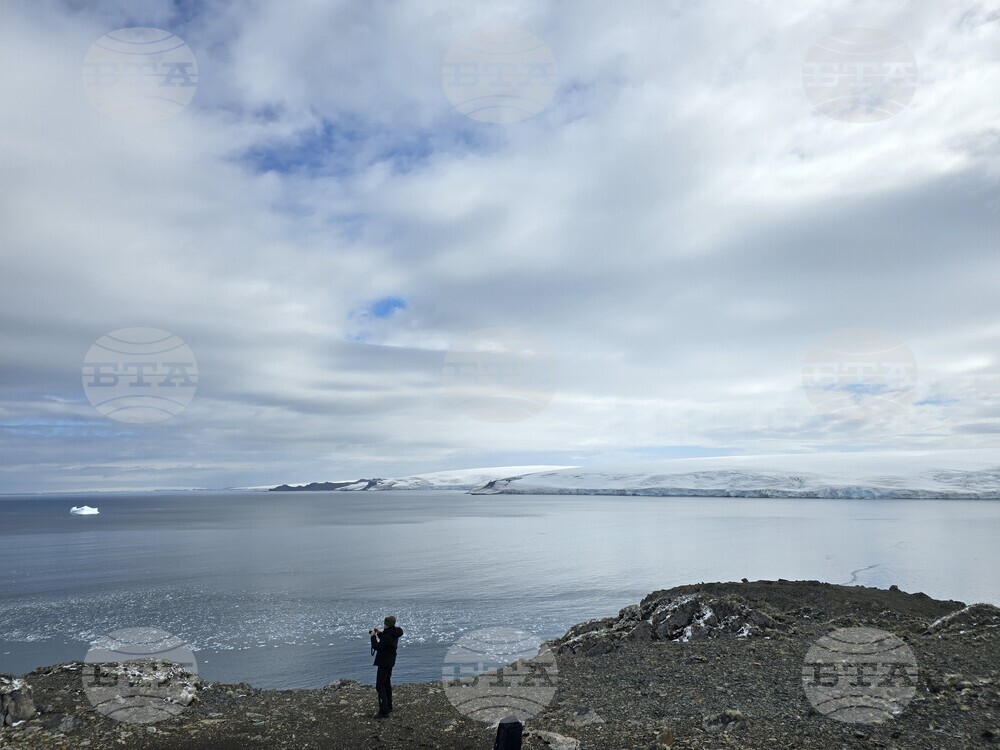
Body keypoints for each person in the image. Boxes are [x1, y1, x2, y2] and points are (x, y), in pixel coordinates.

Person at [370, 615, 403, 718]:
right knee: (387, 683)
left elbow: (377, 646)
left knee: (380, 686)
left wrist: (373, 636)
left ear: (386, 624)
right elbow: (385, 640)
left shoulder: (388, 636)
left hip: (383, 663)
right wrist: (379, 633)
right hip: (390, 662)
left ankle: (384, 711)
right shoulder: (394, 633)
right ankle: (389, 706)